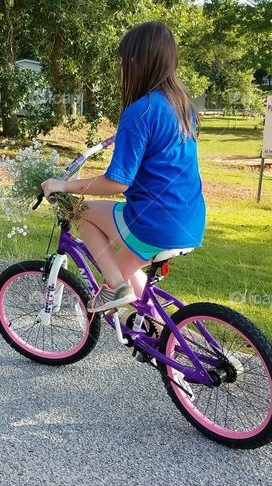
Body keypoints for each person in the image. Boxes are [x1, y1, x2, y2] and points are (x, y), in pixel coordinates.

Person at [41, 21, 206, 313]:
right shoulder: (183, 106)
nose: (120, 69)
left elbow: (118, 183)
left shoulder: (140, 111)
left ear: (137, 61)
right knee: (125, 267)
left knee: (80, 212)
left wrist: (64, 185)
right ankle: (160, 334)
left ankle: (114, 289)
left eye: (122, 61)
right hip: (189, 220)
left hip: (153, 221)